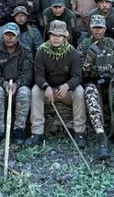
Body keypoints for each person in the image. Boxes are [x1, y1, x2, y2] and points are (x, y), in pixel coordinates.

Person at [27, 20, 87, 148]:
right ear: (49, 35)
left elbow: (77, 76)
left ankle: (79, 132)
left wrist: (68, 86)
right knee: (36, 91)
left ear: (65, 37)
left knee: (80, 91)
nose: (56, 38)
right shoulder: (41, 51)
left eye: (59, 36)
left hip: (65, 91)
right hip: (49, 91)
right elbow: (38, 75)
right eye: (53, 35)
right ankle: (37, 133)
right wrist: (45, 86)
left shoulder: (73, 53)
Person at [80, 15, 114, 158]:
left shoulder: (112, 44)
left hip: (111, 83)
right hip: (93, 82)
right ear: (90, 28)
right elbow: (80, 73)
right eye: (95, 28)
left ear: (105, 29)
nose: (97, 31)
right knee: (90, 93)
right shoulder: (84, 45)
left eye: (100, 28)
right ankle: (101, 137)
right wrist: (89, 58)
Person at [0, 22, 33, 147]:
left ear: (18, 37)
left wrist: (17, 84)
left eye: (12, 35)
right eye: (6, 35)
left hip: (18, 85)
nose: (9, 38)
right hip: (2, 85)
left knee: (24, 92)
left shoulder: (26, 51)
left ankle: (19, 129)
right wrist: (4, 83)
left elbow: (28, 74)